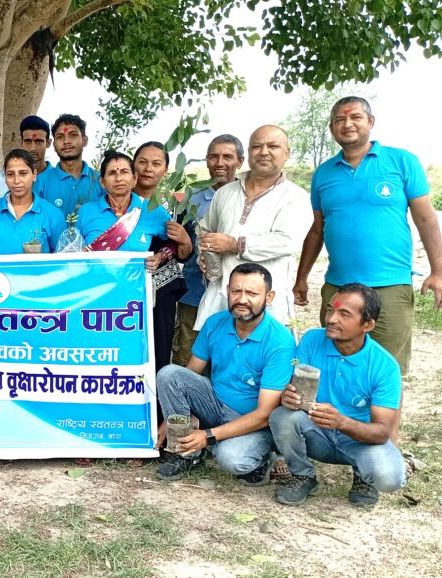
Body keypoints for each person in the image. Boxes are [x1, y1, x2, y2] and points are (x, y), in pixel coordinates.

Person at [294, 96, 442, 376]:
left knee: (386, 370)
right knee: (335, 366)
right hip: (338, 287)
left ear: (371, 122)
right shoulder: (323, 174)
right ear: (332, 128)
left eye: (355, 117)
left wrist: (438, 271)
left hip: (390, 287)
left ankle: (382, 409)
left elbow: (426, 219)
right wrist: (301, 277)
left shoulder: (402, 162)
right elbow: (317, 230)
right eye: (339, 119)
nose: (347, 124)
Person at [155, 263, 295, 484]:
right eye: (236, 291)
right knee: (169, 374)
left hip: (254, 421)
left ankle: (265, 456)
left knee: (230, 458)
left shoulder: (280, 342)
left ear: (269, 297)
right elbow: (188, 375)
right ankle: (188, 454)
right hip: (214, 405)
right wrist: (170, 419)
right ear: (228, 291)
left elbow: (264, 414)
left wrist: (208, 436)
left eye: (252, 293)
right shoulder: (215, 323)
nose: (242, 299)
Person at [270, 284, 405, 507]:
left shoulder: (385, 366)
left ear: (368, 325)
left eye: (344, 314)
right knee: (282, 416)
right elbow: (296, 382)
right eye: (330, 309)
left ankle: (363, 478)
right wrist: (289, 397)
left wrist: (341, 422)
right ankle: (303, 475)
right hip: (317, 431)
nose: (331, 319)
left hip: (360, 440)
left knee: (389, 477)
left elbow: (382, 433)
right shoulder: (311, 340)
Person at [195, 125, 312, 332]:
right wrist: (204, 255)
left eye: (272, 146)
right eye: (257, 146)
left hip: (267, 304)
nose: (264, 152)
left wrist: (235, 244)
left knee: (264, 350)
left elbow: (286, 242)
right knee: (215, 349)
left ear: (286, 153)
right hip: (221, 299)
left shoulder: (296, 197)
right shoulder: (225, 193)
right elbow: (204, 231)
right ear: (249, 153)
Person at [172, 134, 245, 366]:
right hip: (194, 294)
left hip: (235, 297)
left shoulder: (247, 197)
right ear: (206, 161)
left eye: (228, 157)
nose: (220, 163)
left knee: (228, 362)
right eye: (214, 156)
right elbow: (181, 248)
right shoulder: (190, 198)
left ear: (240, 161)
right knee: (187, 360)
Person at [131, 141, 193, 373]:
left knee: (158, 349)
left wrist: (184, 240)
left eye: (156, 164)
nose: (148, 169)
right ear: (133, 165)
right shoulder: (118, 200)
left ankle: (157, 396)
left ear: (166, 170)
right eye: (142, 162)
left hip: (161, 291)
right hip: (121, 288)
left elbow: (185, 254)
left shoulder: (176, 206)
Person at [0, 149, 65, 254]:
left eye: (23, 173)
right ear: (5, 177)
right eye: (10, 174)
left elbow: (62, 259)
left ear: (34, 175)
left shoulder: (53, 214)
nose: (16, 181)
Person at [34, 114, 100, 218]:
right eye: (60, 137)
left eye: (73, 135)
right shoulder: (40, 183)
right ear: (54, 145)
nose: (66, 141)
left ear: (84, 140)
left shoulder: (100, 181)